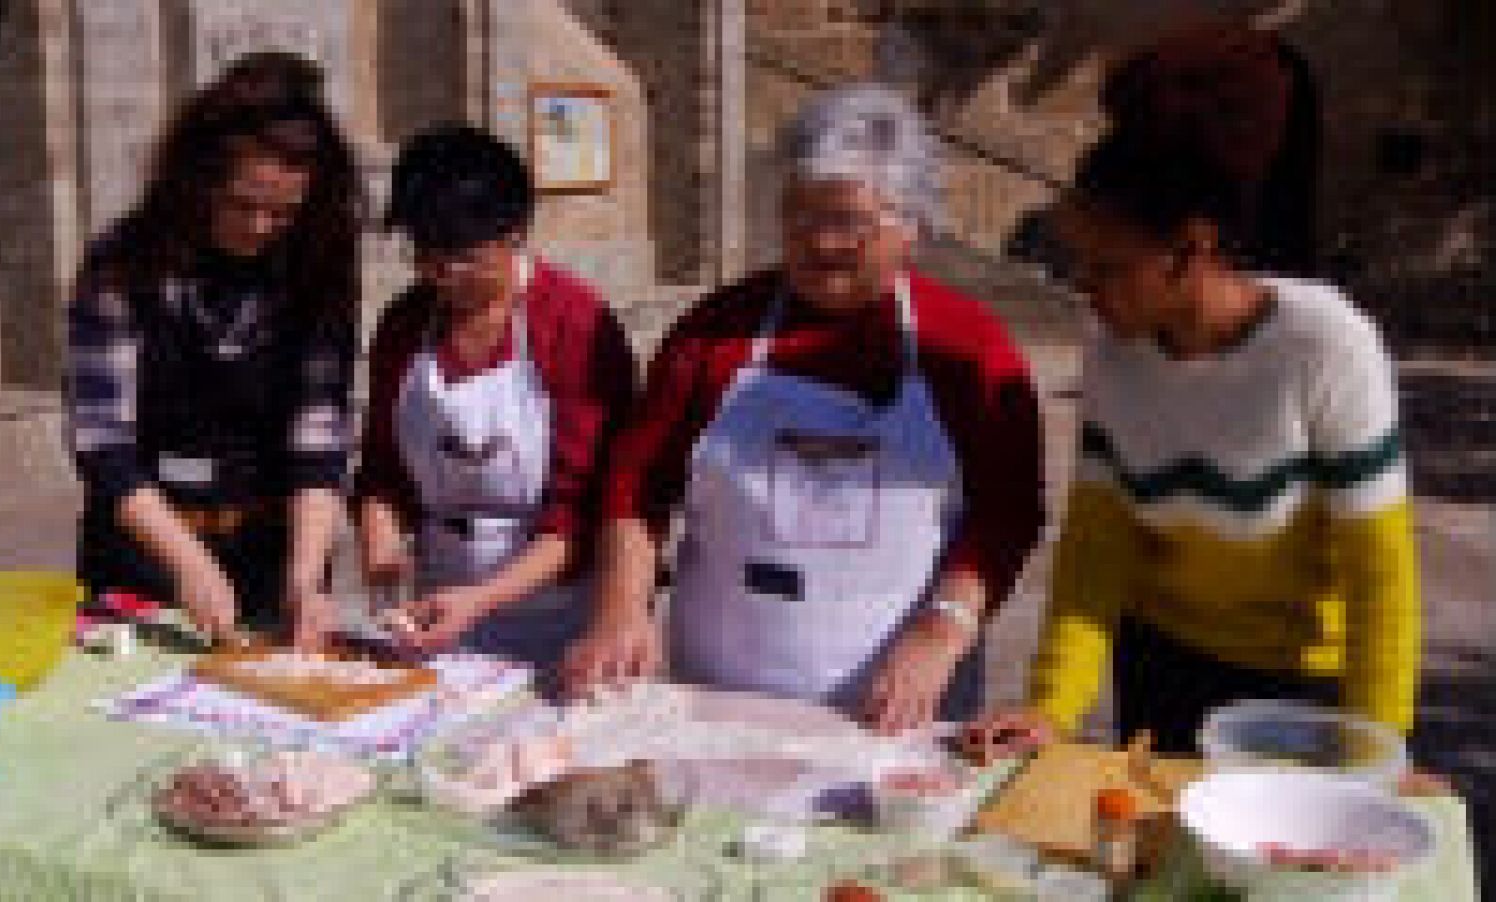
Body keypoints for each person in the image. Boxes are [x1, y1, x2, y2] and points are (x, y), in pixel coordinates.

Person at [563, 85, 1046, 733]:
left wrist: (944, 630)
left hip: (894, 698)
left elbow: (1007, 513)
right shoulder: (715, 333)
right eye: (798, 216)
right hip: (722, 689)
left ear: (911, 224)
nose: (819, 241)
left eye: (846, 221)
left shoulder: (967, 345)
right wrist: (622, 607)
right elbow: (636, 484)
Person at [1001, 22, 1420, 752]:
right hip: (1159, 666)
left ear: (1192, 247)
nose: (1085, 289)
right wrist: (1050, 708)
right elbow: (1097, 548)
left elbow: (1380, 577)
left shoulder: (1325, 345)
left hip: (1298, 686)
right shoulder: (1113, 353)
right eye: (1078, 265)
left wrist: (1376, 750)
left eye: (1108, 268)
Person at [65, 52, 362, 649]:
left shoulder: (318, 266)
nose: (259, 227)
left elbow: (318, 443)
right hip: (144, 542)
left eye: (283, 212)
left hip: (272, 546)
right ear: (197, 181)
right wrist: (189, 560)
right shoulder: (124, 261)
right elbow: (103, 442)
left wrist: (306, 580)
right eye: (241, 204)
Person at [353, 126, 635, 680]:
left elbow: (584, 510)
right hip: (435, 603)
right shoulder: (405, 324)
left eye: (464, 257)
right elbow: (382, 470)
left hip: (555, 614)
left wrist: (483, 599)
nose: (443, 275)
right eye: (426, 256)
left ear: (515, 234)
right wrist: (380, 539)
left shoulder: (575, 323)